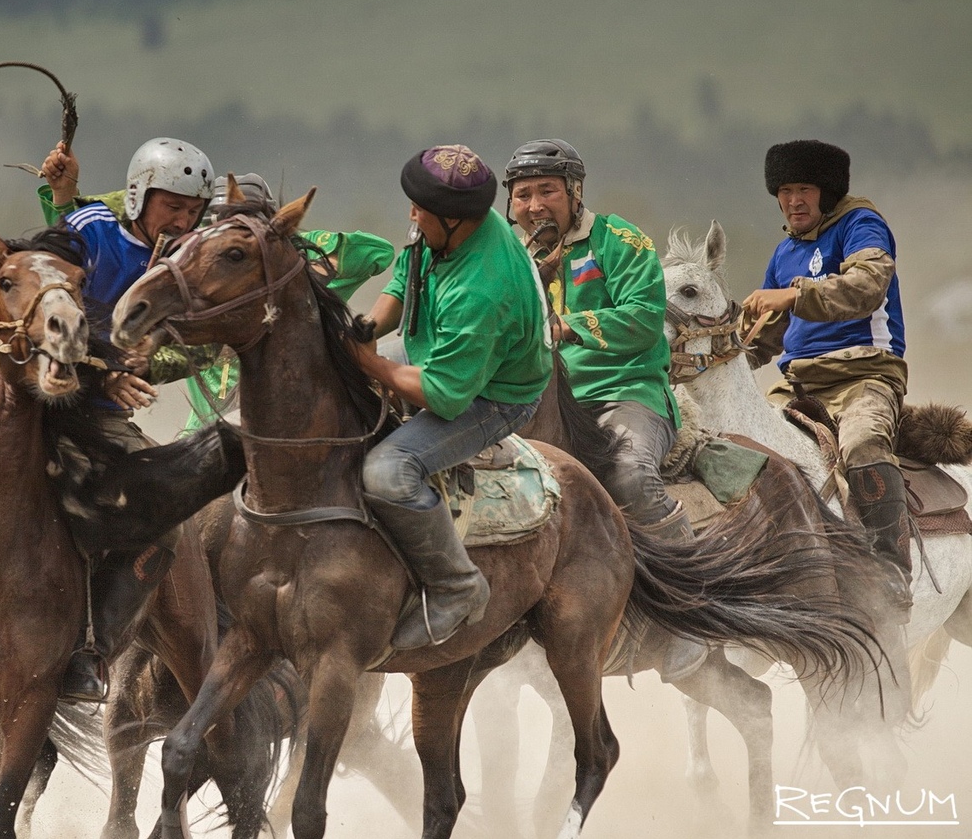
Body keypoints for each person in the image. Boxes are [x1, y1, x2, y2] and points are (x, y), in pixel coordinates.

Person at [502, 139, 702, 679]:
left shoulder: (621, 238)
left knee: (630, 476)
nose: (535, 204)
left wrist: (569, 327)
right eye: (523, 195)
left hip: (623, 391)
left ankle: (686, 618)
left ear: (574, 191)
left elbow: (643, 317)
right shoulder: (505, 256)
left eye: (547, 190)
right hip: (536, 396)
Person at [38, 137, 223, 700]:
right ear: (140, 195)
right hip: (38, 396)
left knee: (163, 519)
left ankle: (91, 652)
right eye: (173, 206)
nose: (183, 219)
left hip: (99, 419)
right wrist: (108, 368)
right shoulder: (92, 228)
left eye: (193, 210)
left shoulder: (188, 266)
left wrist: (152, 360)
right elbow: (50, 302)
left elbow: (204, 347)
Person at [351, 145, 549, 650]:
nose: (410, 215)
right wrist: (369, 326)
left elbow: (443, 393)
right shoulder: (441, 224)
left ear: (457, 221)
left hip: (493, 395)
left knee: (386, 472)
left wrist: (373, 364)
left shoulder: (484, 290)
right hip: (432, 349)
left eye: (419, 208)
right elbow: (404, 276)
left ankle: (457, 587)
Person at [742, 139, 910, 612]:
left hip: (864, 376)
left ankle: (890, 571)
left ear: (828, 192)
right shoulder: (783, 252)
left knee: (862, 446)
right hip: (795, 385)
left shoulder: (862, 225)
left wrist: (794, 296)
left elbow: (866, 286)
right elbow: (759, 341)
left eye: (806, 189)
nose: (794, 201)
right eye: (785, 190)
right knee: (737, 449)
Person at [179, 173, 396, 434]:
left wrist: (300, 272)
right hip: (202, 430)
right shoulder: (188, 284)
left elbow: (379, 252)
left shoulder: (292, 264)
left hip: (288, 421)